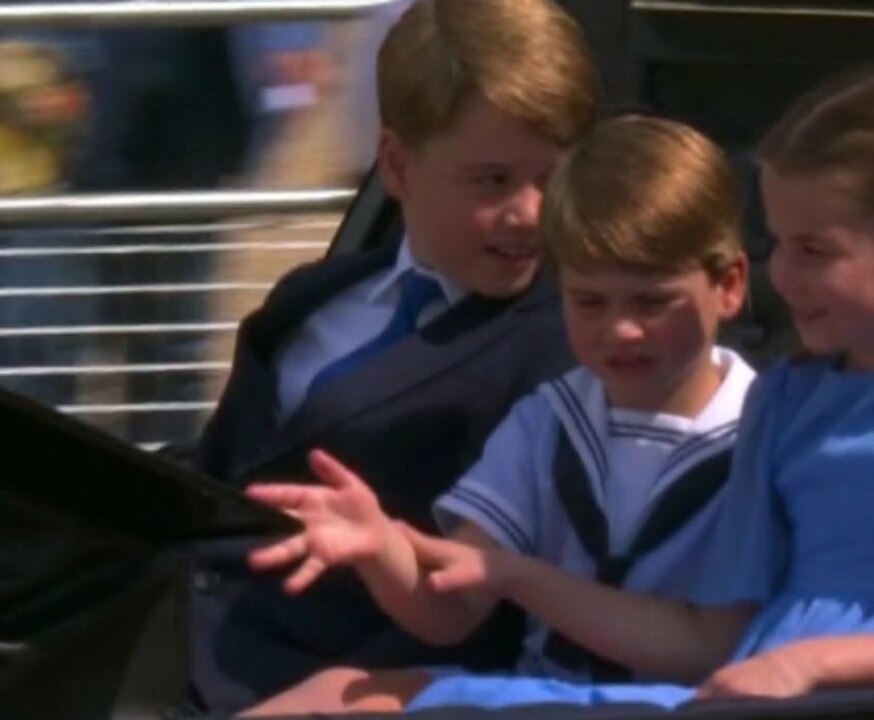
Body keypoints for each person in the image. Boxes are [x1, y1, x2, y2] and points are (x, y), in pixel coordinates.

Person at [249, 63, 874, 711]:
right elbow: (707, 639)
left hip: (863, 702)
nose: (787, 276)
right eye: (779, 245)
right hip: (732, 692)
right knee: (339, 697)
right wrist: (483, 567)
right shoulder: (793, 400)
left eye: (816, 251)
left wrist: (808, 665)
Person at [239, 115, 756, 715]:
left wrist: (518, 576)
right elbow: (452, 609)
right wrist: (382, 550)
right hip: (545, 693)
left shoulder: (760, 433)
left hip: (695, 703)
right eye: (589, 301)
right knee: (340, 693)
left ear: (729, 284)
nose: (620, 328)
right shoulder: (549, 419)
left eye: (652, 301)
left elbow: (704, 646)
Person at [183, 0, 600, 712]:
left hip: (315, 684)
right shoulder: (314, 297)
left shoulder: (568, 346)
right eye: (493, 181)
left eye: (551, 179)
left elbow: (503, 609)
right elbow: (219, 471)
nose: (531, 212)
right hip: (168, 623)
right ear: (398, 167)